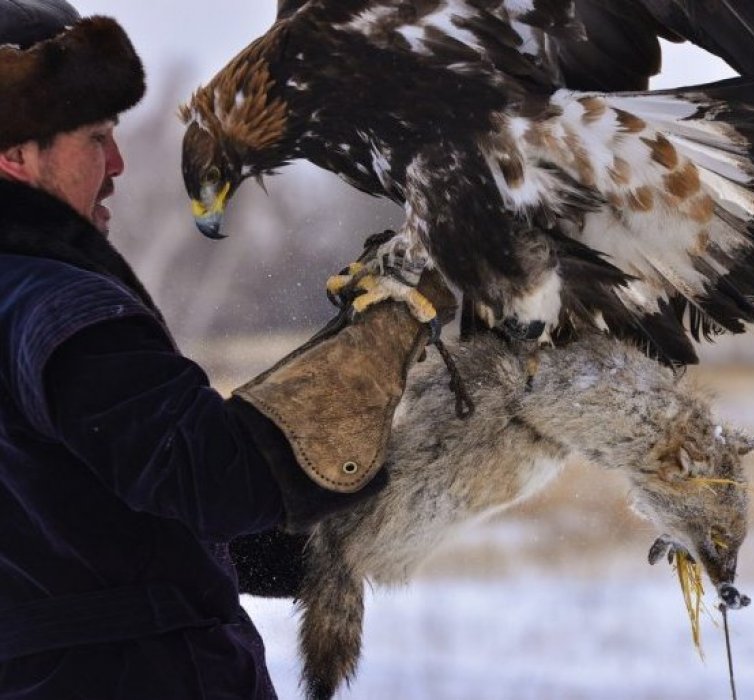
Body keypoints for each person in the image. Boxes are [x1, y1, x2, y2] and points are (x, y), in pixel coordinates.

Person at [0, 1, 452, 697]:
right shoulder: (53, 306)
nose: (119, 162)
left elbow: (95, 517)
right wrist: (393, 319)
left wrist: (318, 547)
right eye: (95, 137)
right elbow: (209, 478)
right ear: (14, 152)